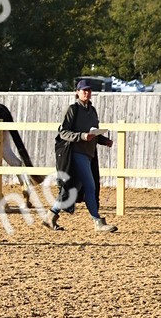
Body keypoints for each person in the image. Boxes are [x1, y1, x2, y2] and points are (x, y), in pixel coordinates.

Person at [43, 78, 117, 233]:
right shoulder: (73, 109)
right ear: (77, 92)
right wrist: (82, 136)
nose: (87, 93)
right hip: (76, 154)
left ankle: (51, 215)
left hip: (89, 155)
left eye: (89, 90)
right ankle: (98, 222)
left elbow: (93, 134)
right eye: (84, 90)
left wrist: (104, 140)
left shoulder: (92, 111)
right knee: (90, 186)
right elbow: (63, 133)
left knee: (73, 188)